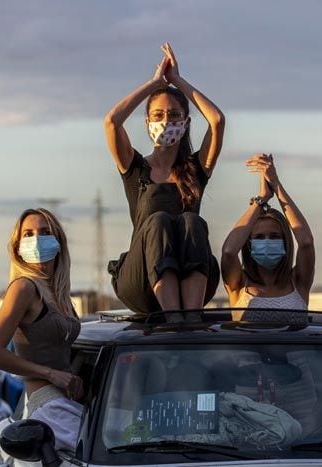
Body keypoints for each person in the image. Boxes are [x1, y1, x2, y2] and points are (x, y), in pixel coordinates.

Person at [104, 43, 225, 322]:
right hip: (142, 281)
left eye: (174, 115)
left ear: (185, 123)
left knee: (192, 222)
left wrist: (178, 82)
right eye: (158, 115)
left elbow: (217, 120)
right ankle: (173, 319)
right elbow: (112, 122)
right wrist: (155, 83)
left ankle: (190, 320)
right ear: (147, 122)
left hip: (192, 276)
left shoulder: (194, 169)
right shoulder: (135, 167)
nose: (166, 121)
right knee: (158, 220)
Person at [0, 208, 83, 453]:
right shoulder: (23, 289)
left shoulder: (59, 294)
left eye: (44, 232)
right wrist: (50, 374)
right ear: (17, 246)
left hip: (69, 402)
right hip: (47, 406)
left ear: (58, 241)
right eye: (28, 234)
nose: (36, 240)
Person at [221, 154, 314, 323]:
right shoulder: (240, 283)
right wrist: (261, 199)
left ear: (285, 241)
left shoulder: (298, 281)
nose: (267, 241)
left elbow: (306, 242)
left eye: (274, 236)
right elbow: (228, 251)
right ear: (248, 244)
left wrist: (276, 185)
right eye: (259, 237)